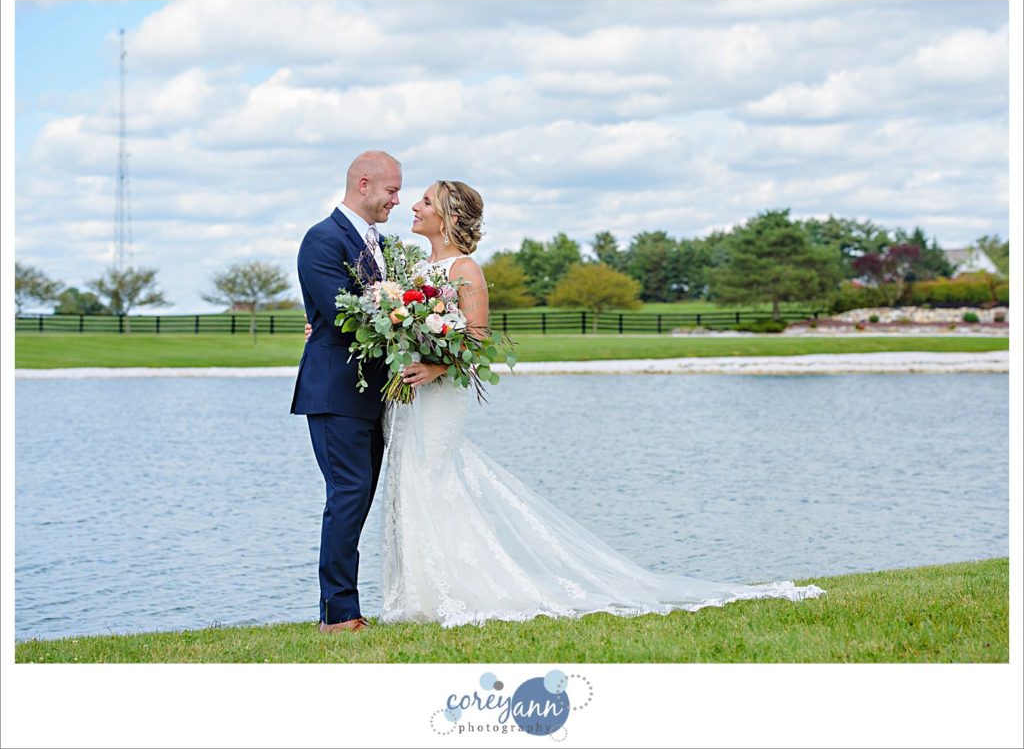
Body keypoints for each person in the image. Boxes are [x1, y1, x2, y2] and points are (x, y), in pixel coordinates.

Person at [306, 179, 826, 628]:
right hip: (409, 399)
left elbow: (479, 337)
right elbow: (385, 314)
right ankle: (416, 596)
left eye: (422, 200)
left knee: (434, 480)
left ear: (448, 215)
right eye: (410, 198)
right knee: (408, 485)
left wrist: (437, 365)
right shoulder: (417, 265)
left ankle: (458, 590)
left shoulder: (466, 269)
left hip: (438, 395)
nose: (412, 206)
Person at [291, 150, 401, 634]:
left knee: (359, 496)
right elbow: (343, 315)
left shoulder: (377, 243)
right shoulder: (322, 239)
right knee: (348, 494)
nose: (396, 200)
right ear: (363, 183)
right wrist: (405, 317)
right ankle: (338, 615)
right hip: (337, 391)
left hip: (373, 393)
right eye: (391, 190)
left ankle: (346, 606)